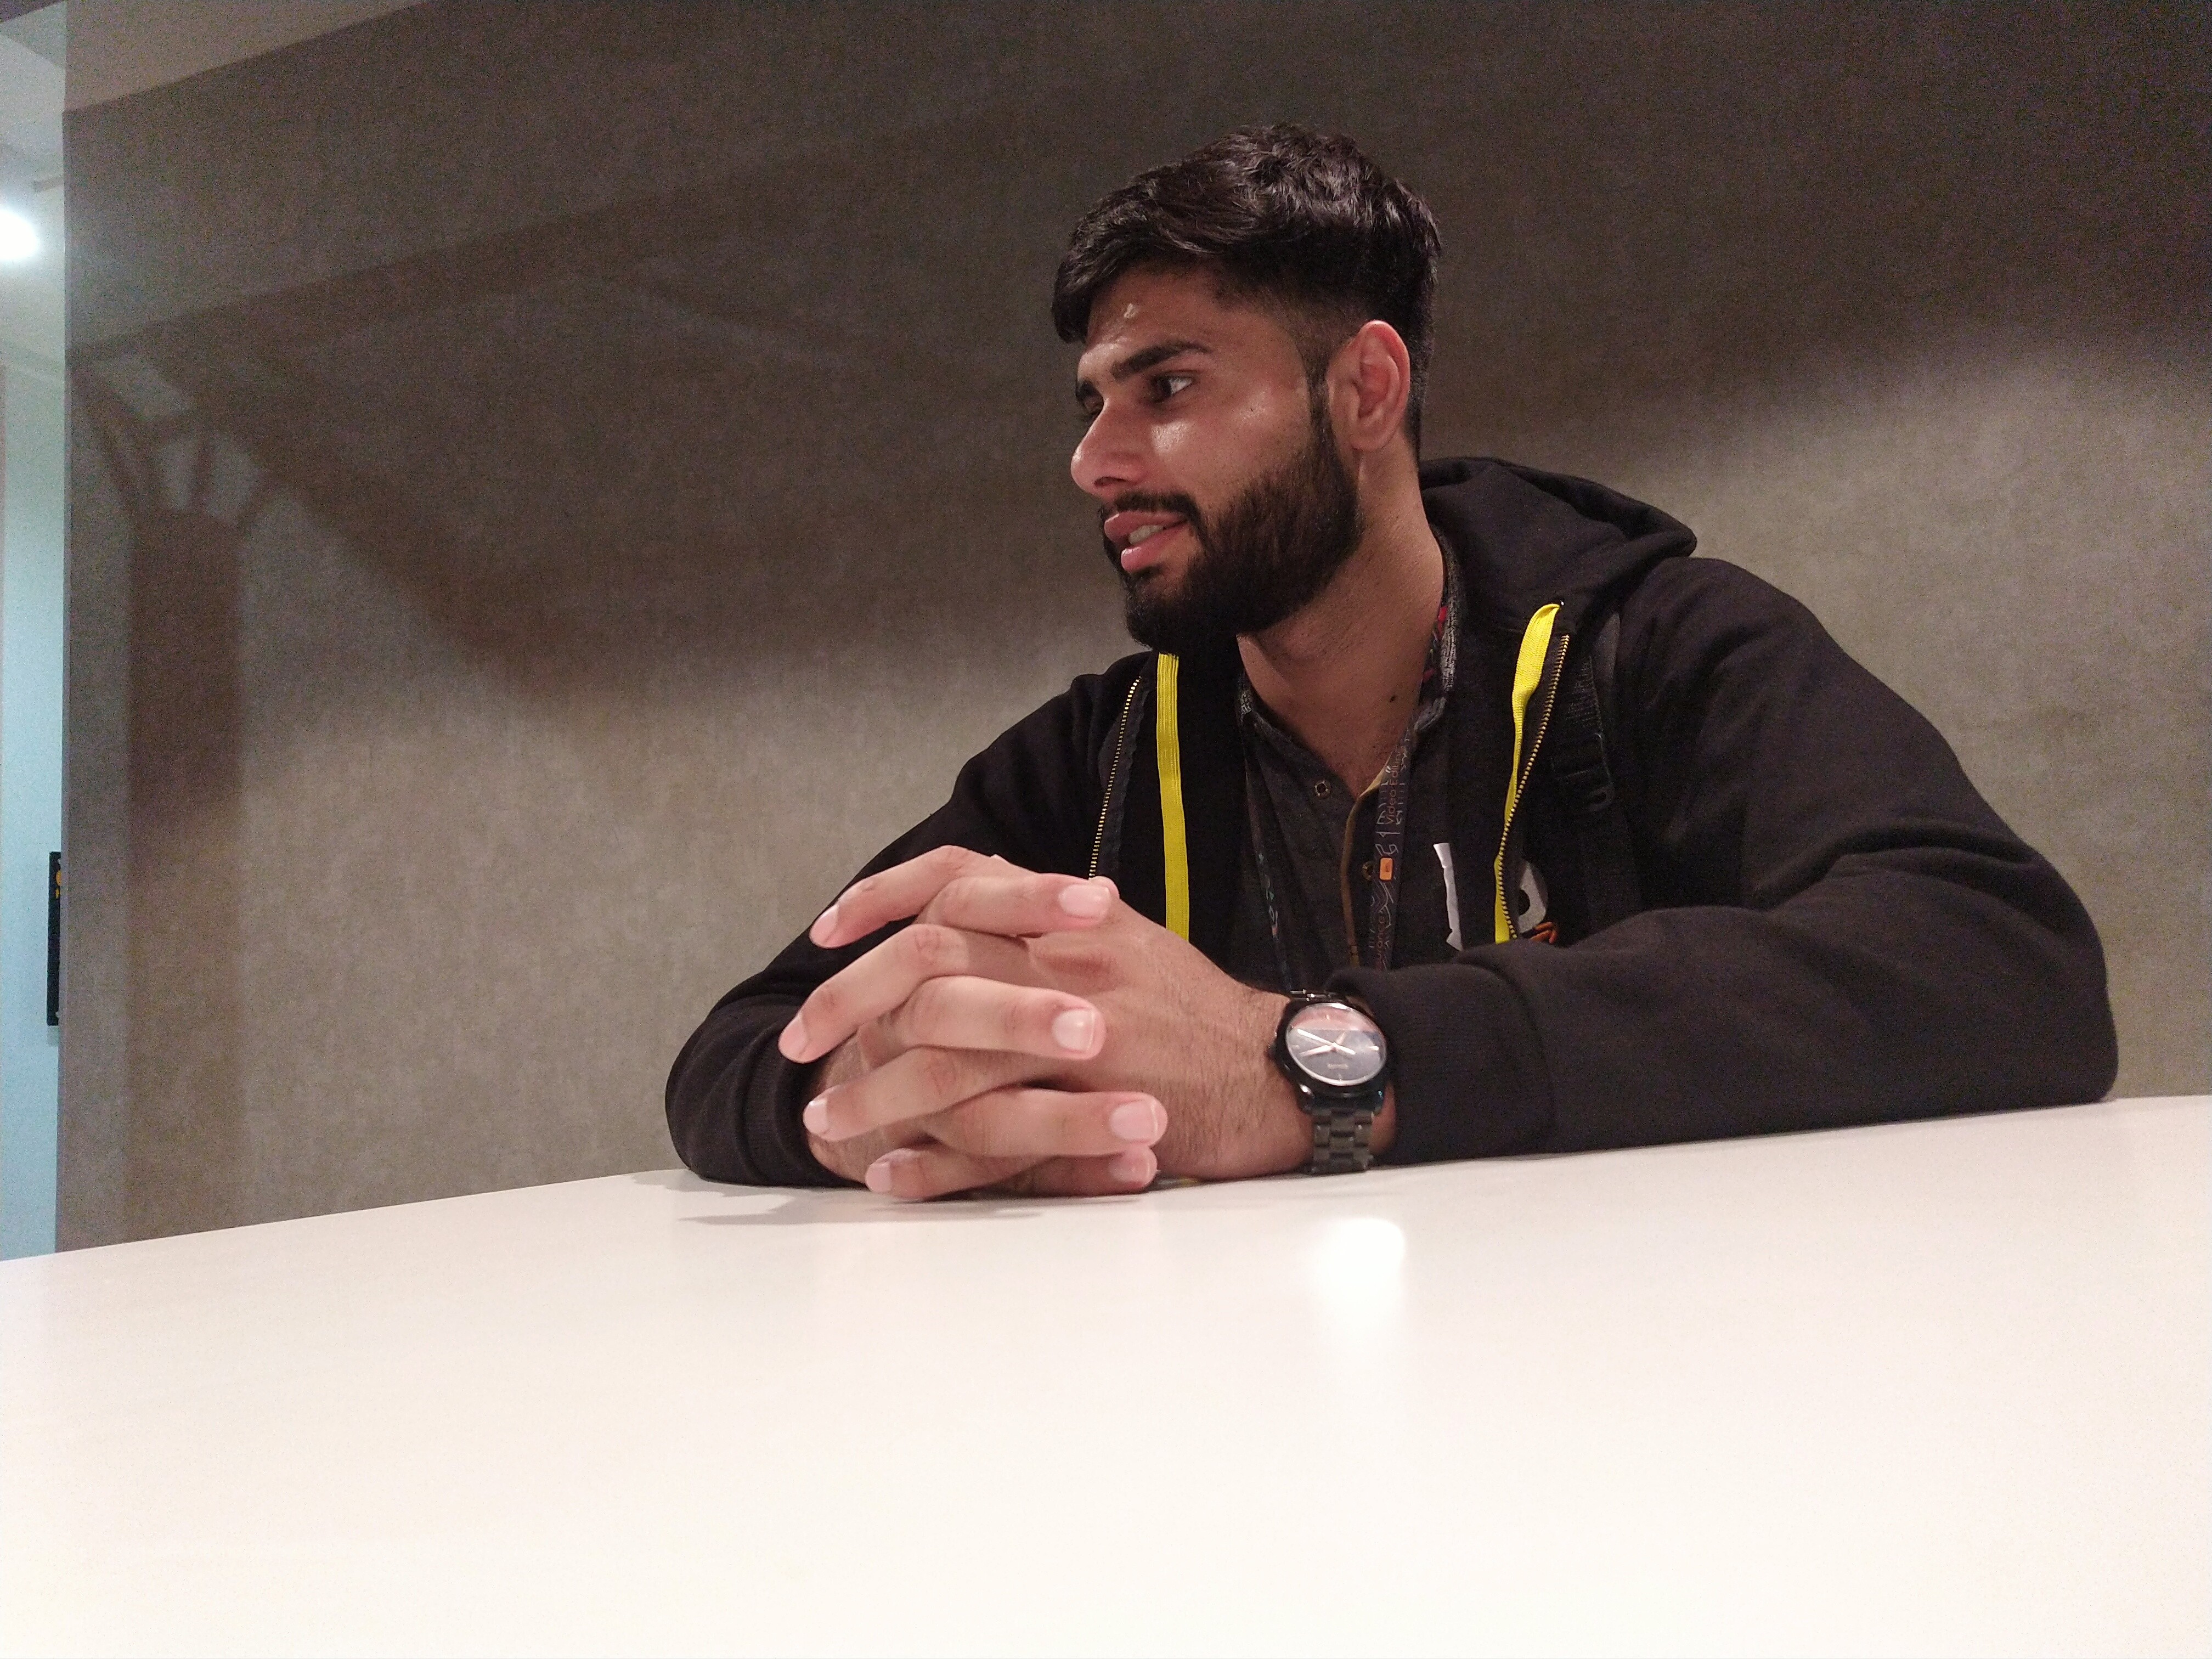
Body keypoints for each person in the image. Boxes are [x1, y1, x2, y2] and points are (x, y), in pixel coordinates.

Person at [665, 126, 2115, 1200]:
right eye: (1093, 403)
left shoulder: (1658, 651)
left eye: (1167, 386)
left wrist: (1305, 1065)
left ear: (1365, 389)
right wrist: (884, 1101)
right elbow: (734, 1054)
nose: (1094, 462)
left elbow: (2003, 962)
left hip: (1646, 1404)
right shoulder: (1096, 760)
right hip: (1248, 1447)